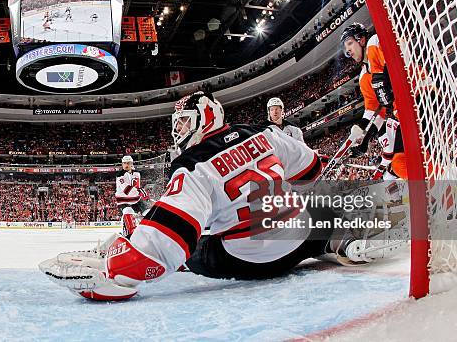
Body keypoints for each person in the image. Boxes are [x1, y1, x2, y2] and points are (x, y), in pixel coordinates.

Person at [41, 92, 406, 301]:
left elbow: (167, 243)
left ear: (205, 118)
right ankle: (342, 238)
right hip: (298, 240)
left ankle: (121, 241)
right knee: (315, 209)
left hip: (249, 260)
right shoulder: (265, 134)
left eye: (183, 122)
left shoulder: (193, 165)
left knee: (187, 239)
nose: (178, 131)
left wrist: (115, 273)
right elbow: (311, 169)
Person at [340, 23, 406, 180]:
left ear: (361, 40)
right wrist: (364, 135)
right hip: (404, 112)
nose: (347, 49)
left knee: (401, 163)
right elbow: (374, 111)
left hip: (420, 96)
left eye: (350, 43)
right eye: (345, 47)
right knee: (399, 165)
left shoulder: (375, 42)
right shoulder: (364, 77)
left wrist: (385, 74)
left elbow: (401, 50)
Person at [115, 155, 149, 236]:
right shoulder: (120, 175)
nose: (126, 165)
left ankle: (148, 231)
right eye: (124, 163)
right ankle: (128, 234)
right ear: (122, 164)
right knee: (127, 211)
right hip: (123, 200)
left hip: (136, 199)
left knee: (148, 212)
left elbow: (137, 186)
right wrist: (141, 192)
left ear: (132, 164)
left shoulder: (137, 173)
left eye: (128, 163)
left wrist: (144, 195)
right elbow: (126, 190)